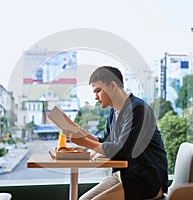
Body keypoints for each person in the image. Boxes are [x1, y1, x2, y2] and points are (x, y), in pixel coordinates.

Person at [63, 66, 168, 200]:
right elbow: (106, 143)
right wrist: (83, 134)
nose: (95, 97)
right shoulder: (113, 113)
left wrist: (84, 142)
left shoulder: (138, 109)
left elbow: (121, 150)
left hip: (146, 180)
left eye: (98, 91)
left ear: (113, 86)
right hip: (124, 175)